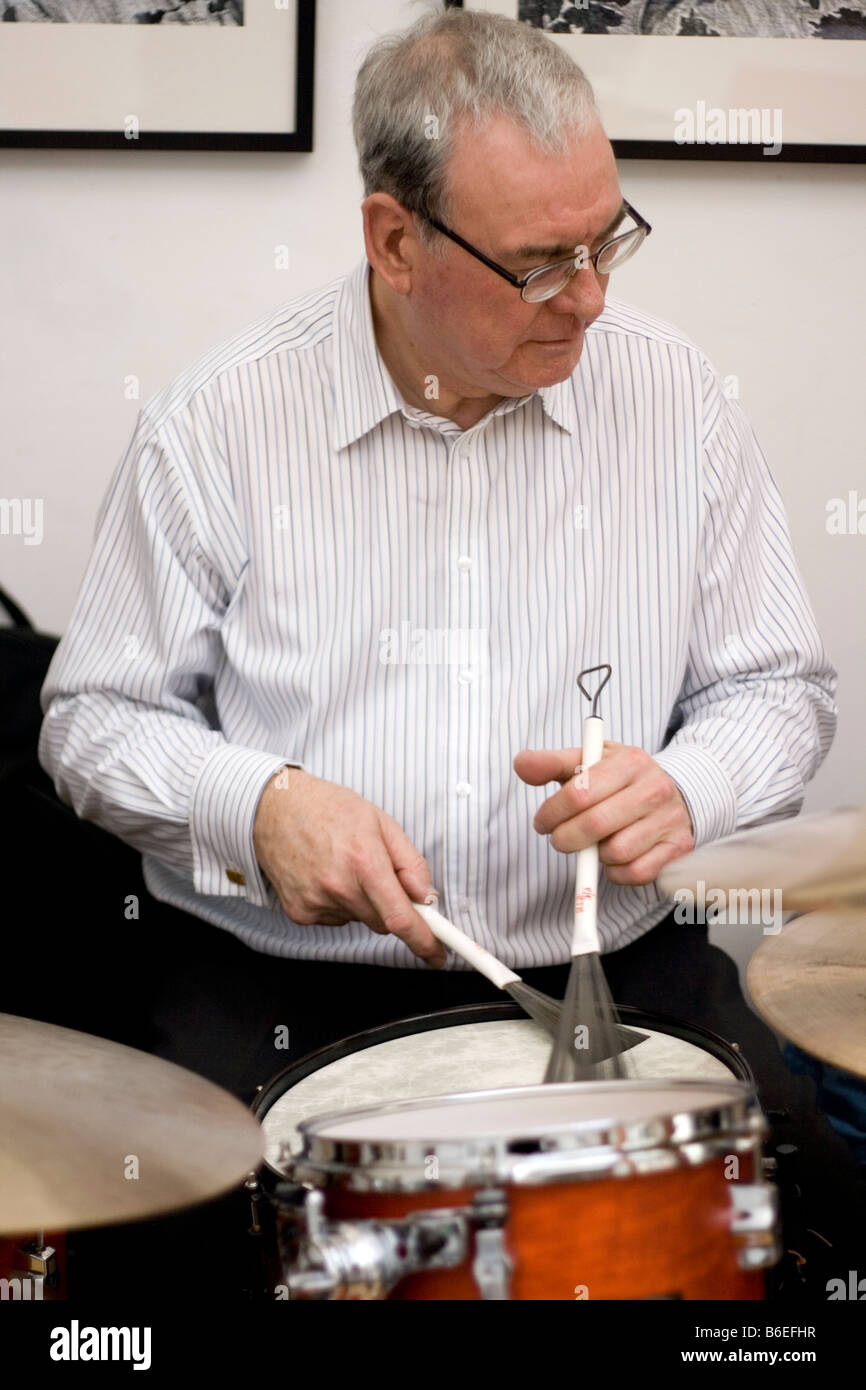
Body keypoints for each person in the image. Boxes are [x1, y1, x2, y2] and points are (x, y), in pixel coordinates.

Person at [35, 6, 861, 1296]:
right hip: (276, 985)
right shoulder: (216, 427)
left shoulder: (679, 400)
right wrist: (261, 805)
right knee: (154, 1279)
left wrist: (690, 786)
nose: (591, 298)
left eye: (610, 242)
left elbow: (779, 691)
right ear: (395, 239)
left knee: (815, 1249)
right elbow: (91, 721)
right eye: (544, 263)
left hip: (620, 972)